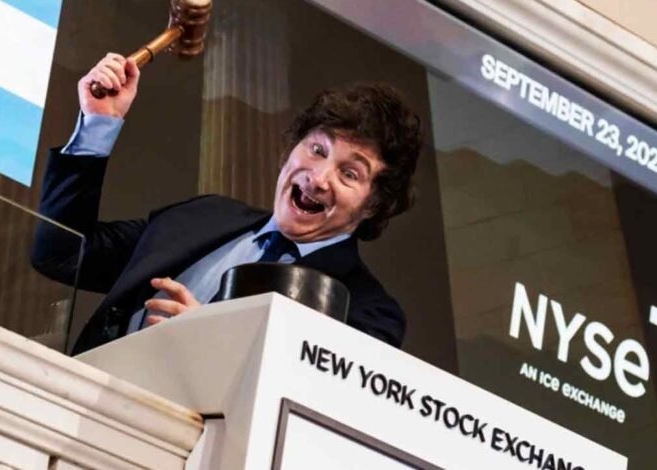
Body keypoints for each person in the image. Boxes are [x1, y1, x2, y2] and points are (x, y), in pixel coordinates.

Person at [32, 54, 423, 355]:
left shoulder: (368, 311)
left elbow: (312, 402)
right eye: (317, 149)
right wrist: (98, 125)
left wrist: (211, 340)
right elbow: (61, 255)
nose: (319, 178)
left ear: (375, 205)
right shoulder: (204, 216)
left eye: (350, 173)